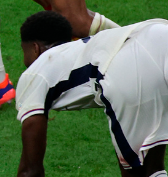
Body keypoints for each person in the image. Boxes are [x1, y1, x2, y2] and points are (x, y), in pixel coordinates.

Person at [14, 11, 167, 177]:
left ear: (34, 48)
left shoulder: (34, 73)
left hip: (127, 67)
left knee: (138, 171)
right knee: (152, 167)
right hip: (156, 32)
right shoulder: (88, 46)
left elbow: (30, 169)